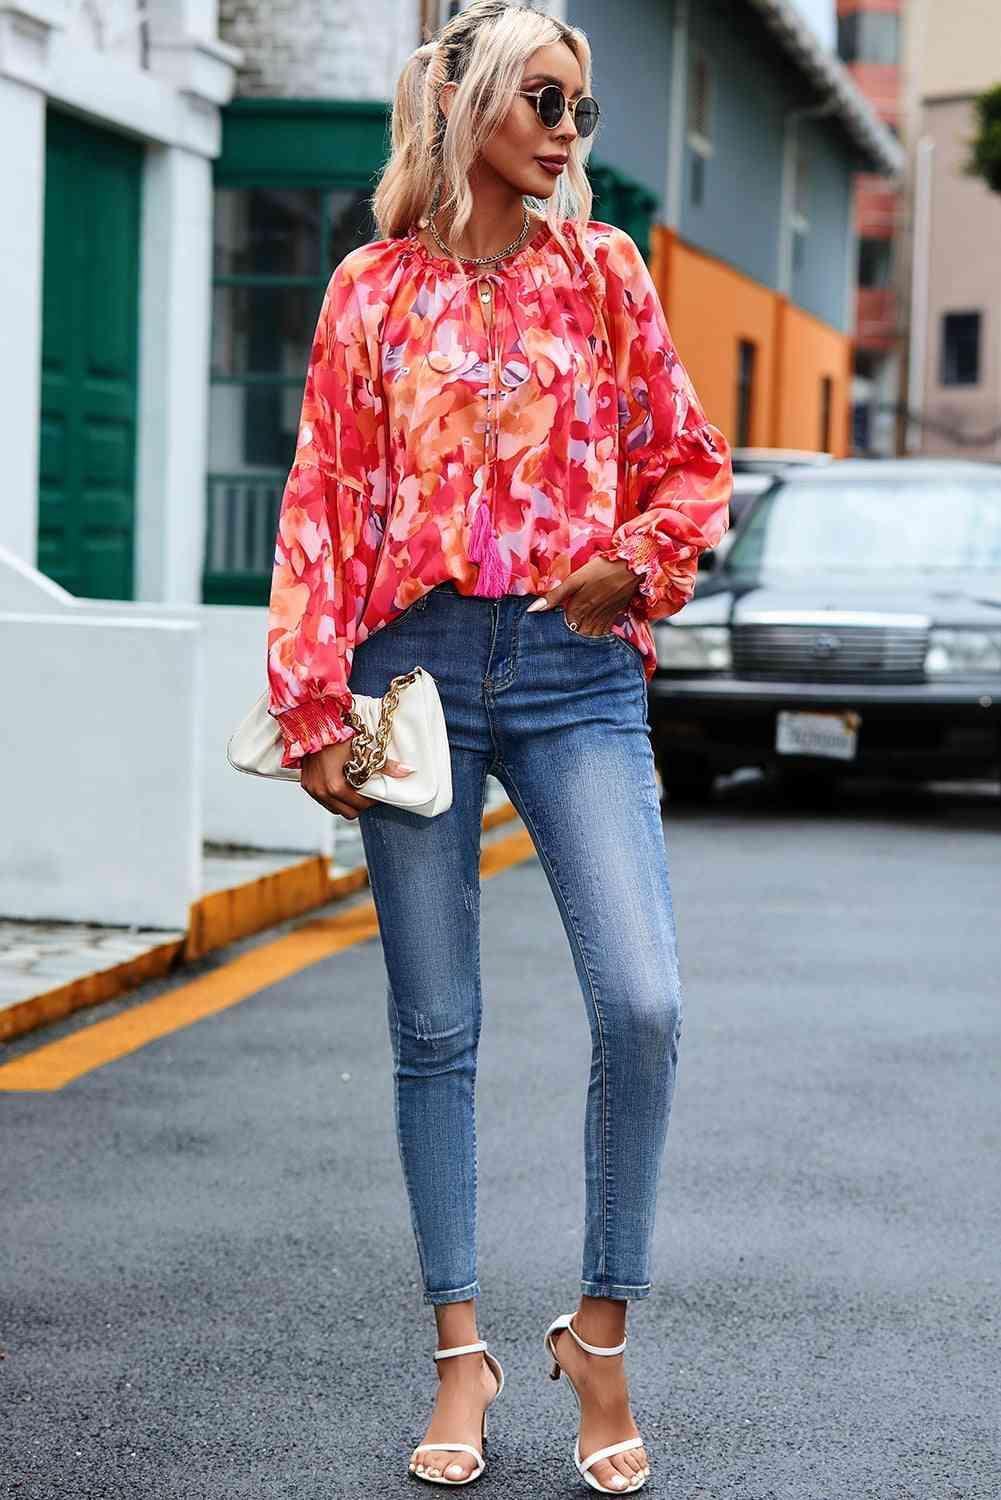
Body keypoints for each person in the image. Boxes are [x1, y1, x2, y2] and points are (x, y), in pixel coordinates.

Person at [265, 1, 731, 1489]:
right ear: (464, 101)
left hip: (576, 665)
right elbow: (323, 503)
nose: (564, 128)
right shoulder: (372, 289)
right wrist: (308, 706)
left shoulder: (602, 275)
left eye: (579, 110)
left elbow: (689, 465)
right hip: (410, 672)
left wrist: (638, 566)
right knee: (434, 1028)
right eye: (542, 96)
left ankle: (598, 1332)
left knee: (643, 1004)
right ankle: (458, 1353)